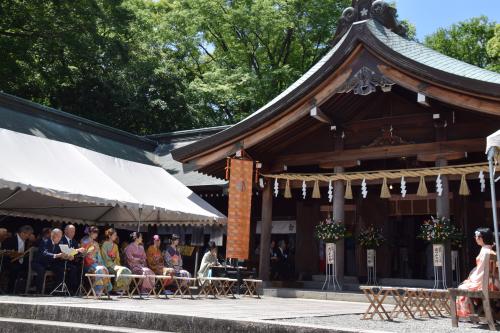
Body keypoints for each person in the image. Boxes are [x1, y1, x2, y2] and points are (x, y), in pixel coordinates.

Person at [456, 228, 500, 318]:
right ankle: (478, 312)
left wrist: (470, 280)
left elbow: (482, 272)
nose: (475, 238)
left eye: (476, 237)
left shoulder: (484, 252)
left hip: (486, 284)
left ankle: (469, 313)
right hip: (495, 283)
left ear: (481, 238)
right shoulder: (492, 252)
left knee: (461, 287)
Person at [31, 228, 71, 294]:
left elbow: (65, 252)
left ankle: (56, 290)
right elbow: (45, 253)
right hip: (39, 263)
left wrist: (69, 255)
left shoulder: (59, 243)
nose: (60, 239)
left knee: (61, 269)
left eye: (60, 237)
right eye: (58, 236)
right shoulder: (45, 241)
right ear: (53, 235)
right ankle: (38, 291)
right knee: (41, 269)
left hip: (49, 263)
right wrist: (57, 255)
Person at [81, 226, 112, 296]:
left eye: (96, 233)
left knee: (104, 269)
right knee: (99, 270)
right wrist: (92, 256)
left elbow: (99, 256)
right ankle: (97, 289)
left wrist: (100, 262)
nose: (96, 235)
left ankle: (103, 289)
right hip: (87, 263)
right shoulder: (84, 241)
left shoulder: (96, 243)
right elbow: (84, 254)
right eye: (94, 233)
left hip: (95, 263)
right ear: (89, 233)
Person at [3, 225, 33, 293]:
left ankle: (24, 289)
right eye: (28, 234)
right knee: (15, 269)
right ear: (22, 233)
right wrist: (15, 255)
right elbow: (6, 254)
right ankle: (10, 290)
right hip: (11, 262)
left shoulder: (27, 242)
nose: (29, 236)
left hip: (22, 263)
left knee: (31, 268)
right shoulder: (10, 240)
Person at [100, 228, 131, 294]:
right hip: (108, 264)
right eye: (114, 235)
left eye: (116, 235)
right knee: (121, 270)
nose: (115, 236)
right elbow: (104, 256)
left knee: (126, 270)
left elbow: (117, 257)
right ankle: (117, 288)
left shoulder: (116, 246)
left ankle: (122, 288)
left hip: (114, 264)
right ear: (109, 236)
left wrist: (115, 259)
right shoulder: (105, 244)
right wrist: (111, 258)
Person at [59, 224, 84, 294]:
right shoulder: (61, 239)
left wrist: (79, 253)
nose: (73, 233)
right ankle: (70, 289)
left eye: (74, 231)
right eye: (71, 231)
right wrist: (77, 250)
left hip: (71, 262)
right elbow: (64, 251)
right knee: (73, 269)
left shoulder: (74, 242)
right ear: (65, 231)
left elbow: (76, 255)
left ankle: (77, 289)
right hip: (60, 262)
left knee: (81, 268)